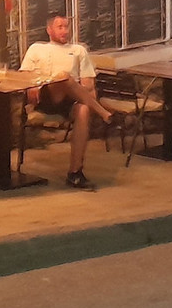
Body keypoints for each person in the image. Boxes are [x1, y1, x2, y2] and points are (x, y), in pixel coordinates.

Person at [20, 13, 114, 190]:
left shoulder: (79, 50)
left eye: (66, 26)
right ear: (49, 30)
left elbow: (88, 84)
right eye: (60, 27)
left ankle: (75, 172)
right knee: (63, 76)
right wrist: (31, 85)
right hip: (45, 97)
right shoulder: (37, 49)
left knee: (83, 109)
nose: (65, 31)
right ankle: (102, 112)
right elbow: (24, 76)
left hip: (71, 100)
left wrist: (75, 87)